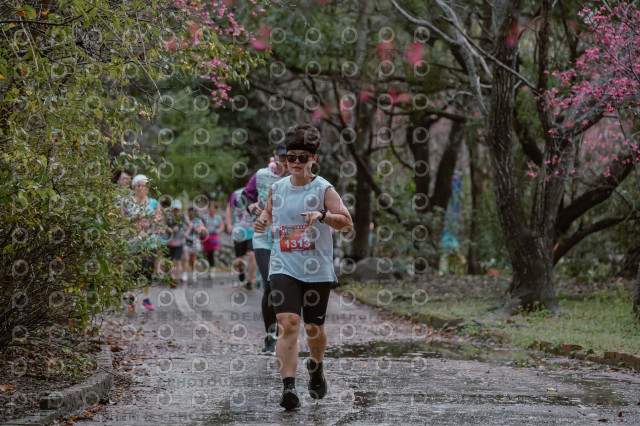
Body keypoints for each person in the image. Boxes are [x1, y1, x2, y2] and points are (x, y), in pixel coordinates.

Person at [254, 123, 353, 410]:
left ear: (313, 159)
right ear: (284, 159)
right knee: (288, 323)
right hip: (283, 265)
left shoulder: (323, 188)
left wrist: (322, 215)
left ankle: (316, 366)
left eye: (302, 157)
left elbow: (347, 222)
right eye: (291, 157)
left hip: (316, 269)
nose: (296, 162)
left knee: (314, 329)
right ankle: (289, 387)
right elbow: (268, 214)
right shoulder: (276, 188)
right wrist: (262, 221)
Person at [241, 139, 289, 354]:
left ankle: (286, 331)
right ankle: (271, 335)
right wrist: (252, 208)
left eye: (288, 157)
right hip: (263, 237)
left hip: (287, 239)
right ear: (274, 155)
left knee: (285, 286)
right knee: (270, 283)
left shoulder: (296, 177)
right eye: (281, 157)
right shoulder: (261, 175)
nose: (285, 162)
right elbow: (245, 195)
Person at [123, 174, 160, 311]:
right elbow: (122, 220)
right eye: (138, 186)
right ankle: (131, 299)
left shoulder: (154, 203)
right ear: (133, 187)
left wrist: (153, 220)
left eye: (144, 186)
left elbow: (158, 219)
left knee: (147, 271)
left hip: (149, 243)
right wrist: (136, 217)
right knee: (132, 272)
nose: (141, 188)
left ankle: (146, 299)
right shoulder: (128, 202)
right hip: (131, 242)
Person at [226, 188, 257, 289]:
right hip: (239, 230)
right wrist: (229, 224)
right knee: (239, 259)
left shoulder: (257, 192)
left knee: (252, 255)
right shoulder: (236, 193)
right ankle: (241, 272)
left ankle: (250, 280)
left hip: (253, 230)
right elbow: (229, 208)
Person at [201, 201, 225, 279]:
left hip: (214, 237)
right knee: (207, 254)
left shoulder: (218, 218)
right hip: (206, 237)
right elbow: (201, 225)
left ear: (215, 209)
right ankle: (210, 267)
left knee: (213, 252)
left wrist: (219, 230)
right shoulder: (205, 217)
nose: (211, 209)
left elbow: (222, 226)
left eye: (212, 207)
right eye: (210, 207)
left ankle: (213, 269)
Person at [183, 206, 206, 282]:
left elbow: (201, 230)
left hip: (195, 241)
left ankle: (194, 273)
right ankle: (184, 274)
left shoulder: (198, 221)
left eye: (192, 213)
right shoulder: (185, 220)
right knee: (186, 258)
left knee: (193, 259)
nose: (191, 214)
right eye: (190, 213)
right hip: (186, 240)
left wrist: (193, 227)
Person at [165, 200, 185, 284]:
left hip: (179, 242)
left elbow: (186, 226)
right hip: (169, 242)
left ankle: (176, 279)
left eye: (177, 209)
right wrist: (169, 229)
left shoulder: (182, 217)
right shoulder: (168, 216)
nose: (176, 210)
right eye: (175, 209)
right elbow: (164, 226)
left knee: (178, 261)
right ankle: (171, 277)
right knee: (169, 261)